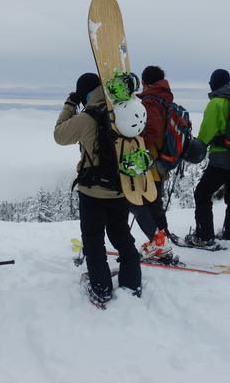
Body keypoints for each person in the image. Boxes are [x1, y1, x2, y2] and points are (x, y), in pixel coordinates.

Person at [54, 73, 142, 306]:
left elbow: (59, 135)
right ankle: (132, 283)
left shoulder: (88, 116)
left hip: (92, 191)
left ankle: (101, 289)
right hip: (121, 188)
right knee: (122, 237)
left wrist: (70, 105)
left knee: (93, 242)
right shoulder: (125, 111)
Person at [188, 69, 230, 246]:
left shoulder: (217, 103)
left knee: (202, 194)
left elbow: (206, 132)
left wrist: (196, 147)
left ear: (214, 83)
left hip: (221, 157)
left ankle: (204, 236)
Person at [130, 66, 173, 258]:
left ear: (145, 82)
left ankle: (158, 242)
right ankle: (163, 239)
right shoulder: (165, 99)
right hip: (161, 159)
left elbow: (153, 130)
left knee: (137, 201)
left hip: (150, 161)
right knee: (154, 203)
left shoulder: (150, 101)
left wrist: (138, 148)